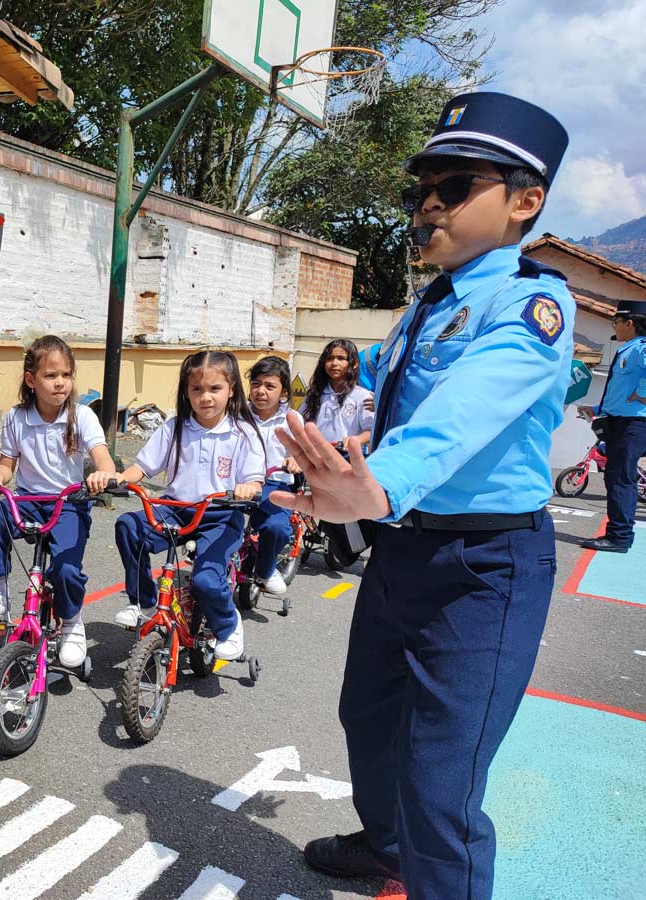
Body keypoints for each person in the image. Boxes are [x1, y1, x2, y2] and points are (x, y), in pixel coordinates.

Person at [268, 92, 573, 900]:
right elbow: (384, 397)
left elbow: (461, 411)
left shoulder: (532, 305)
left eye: (455, 184)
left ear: (524, 202)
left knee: (443, 779)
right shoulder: (425, 305)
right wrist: (331, 458)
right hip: (403, 547)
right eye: (417, 190)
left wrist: (379, 484)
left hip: (484, 566)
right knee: (367, 721)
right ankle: (386, 846)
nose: (427, 204)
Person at [88, 350, 263, 661]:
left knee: (206, 580)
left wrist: (249, 487)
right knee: (129, 527)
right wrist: (120, 478)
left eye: (214, 389)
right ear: (187, 392)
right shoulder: (175, 427)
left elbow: (253, 479)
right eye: (196, 389)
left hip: (220, 515)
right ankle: (145, 602)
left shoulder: (243, 433)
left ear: (232, 389)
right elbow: (143, 467)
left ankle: (228, 625)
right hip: (176, 507)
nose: (205, 397)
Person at [0, 335, 116, 670]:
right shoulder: (16, 417)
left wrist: (103, 475)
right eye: (51, 376)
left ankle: (71, 623)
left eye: (66, 374)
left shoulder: (82, 417)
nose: (60, 382)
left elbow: (104, 460)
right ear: (31, 380)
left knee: (65, 570)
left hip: (69, 503)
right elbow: (7, 466)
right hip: (29, 500)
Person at [578, 300, 646, 552]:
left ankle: (618, 537)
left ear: (630, 323)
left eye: (616, 321)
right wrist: (597, 409)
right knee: (617, 477)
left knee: (620, 478)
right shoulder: (630, 349)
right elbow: (619, 393)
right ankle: (619, 533)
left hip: (634, 423)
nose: (614, 326)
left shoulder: (641, 348)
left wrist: (641, 395)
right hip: (621, 420)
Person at [246, 355, 297, 596]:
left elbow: (305, 452)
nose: (261, 391)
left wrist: (296, 460)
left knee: (277, 528)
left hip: (276, 484)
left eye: (269, 386)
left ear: (283, 392)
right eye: (256, 384)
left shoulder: (292, 419)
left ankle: (266, 570)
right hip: (239, 482)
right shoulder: (237, 414)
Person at [302, 339, 374, 447]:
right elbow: (301, 424)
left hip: (346, 458)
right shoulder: (314, 394)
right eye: (330, 358)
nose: (334, 363)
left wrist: (356, 440)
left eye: (341, 358)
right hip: (315, 457)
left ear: (354, 363)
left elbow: (371, 430)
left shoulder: (362, 396)